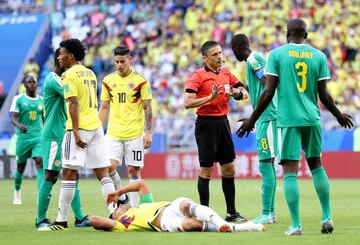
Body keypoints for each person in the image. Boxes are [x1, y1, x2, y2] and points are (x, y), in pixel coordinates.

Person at [237, 19, 353, 235]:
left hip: (288, 120)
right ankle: (327, 216)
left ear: (287, 33)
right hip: (312, 119)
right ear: (306, 35)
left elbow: (268, 92)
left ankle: (296, 225)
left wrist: (251, 120)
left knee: (290, 170)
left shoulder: (277, 55)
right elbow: (324, 95)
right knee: (317, 166)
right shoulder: (319, 56)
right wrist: (338, 115)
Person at [40, 39, 116, 231]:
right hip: (96, 127)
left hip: (79, 129)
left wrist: (74, 131)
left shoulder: (68, 75)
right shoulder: (90, 73)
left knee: (68, 173)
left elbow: (73, 103)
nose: (59, 57)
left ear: (70, 56)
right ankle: (115, 214)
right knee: (103, 173)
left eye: (61, 53)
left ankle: (61, 220)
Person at [184, 40, 249, 222]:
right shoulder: (197, 76)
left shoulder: (227, 73)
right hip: (206, 125)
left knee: (229, 170)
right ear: (205, 58)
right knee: (206, 171)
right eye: (215, 54)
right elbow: (187, 102)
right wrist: (208, 97)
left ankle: (231, 212)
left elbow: (244, 93)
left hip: (223, 123)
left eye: (220, 53)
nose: (219, 56)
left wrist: (236, 94)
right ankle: (204, 214)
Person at [35, 48, 89, 229]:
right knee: (51, 175)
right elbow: (75, 96)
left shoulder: (64, 79)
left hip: (64, 132)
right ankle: (40, 219)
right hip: (53, 135)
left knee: (72, 174)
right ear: (61, 60)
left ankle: (80, 218)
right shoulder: (53, 80)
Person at [89, 179, 265, 233]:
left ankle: (226, 226)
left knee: (187, 204)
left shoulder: (144, 205)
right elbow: (96, 221)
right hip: (164, 222)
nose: (120, 206)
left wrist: (118, 192)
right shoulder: (122, 224)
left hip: (170, 207)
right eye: (117, 208)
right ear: (116, 216)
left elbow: (141, 184)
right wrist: (106, 218)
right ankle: (238, 228)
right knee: (192, 225)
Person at [231, 34, 278, 224]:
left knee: (265, 164)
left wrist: (253, 118)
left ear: (236, 48)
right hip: (264, 117)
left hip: (266, 118)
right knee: (268, 164)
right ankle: (270, 213)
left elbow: (268, 86)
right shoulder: (254, 60)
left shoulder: (253, 59)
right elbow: (262, 89)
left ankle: (267, 213)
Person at [98, 46, 152, 208]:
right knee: (109, 167)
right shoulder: (108, 81)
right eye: (117, 62)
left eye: (123, 61)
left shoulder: (140, 81)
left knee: (133, 171)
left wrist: (148, 132)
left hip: (135, 134)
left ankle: (134, 210)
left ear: (130, 60)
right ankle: (122, 198)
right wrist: (97, 129)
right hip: (113, 133)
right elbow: (104, 108)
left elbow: (147, 108)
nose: (119, 65)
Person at [9, 75, 44, 205]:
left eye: (34, 82)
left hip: (38, 138)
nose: (32, 84)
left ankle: (41, 195)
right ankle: (17, 191)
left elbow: (45, 119)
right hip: (23, 139)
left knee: (40, 163)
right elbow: (13, 117)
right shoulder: (18, 99)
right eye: (29, 82)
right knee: (20, 167)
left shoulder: (41, 100)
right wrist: (19, 126)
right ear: (24, 85)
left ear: (36, 84)